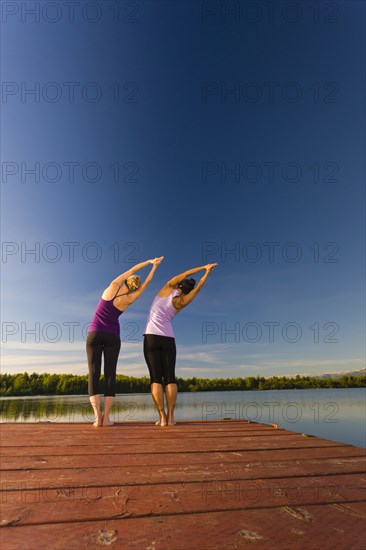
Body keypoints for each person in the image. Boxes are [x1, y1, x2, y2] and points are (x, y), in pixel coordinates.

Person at [87, 257, 164, 427]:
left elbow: (133, 269)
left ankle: (97, 418)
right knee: (110, 374)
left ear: (127, 281)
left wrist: (150, 262)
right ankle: (106, 419)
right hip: (112, 336)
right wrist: (155, 269)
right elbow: (147, 284)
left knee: (93, 372)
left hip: (94, 333)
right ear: (135, 287)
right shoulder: (131, 298)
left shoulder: (113, 286)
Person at [143, 263, 218, 427]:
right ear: (187, 291)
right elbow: (198, 289)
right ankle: (171, 418)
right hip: (168, 338)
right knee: (170, 377)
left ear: (178, 285)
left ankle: (162, 418)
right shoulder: (182, 301)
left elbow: (184, 272)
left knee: (155, 378)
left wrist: (202, 268)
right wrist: (207, 274)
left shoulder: (167, 288)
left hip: (151, 337)